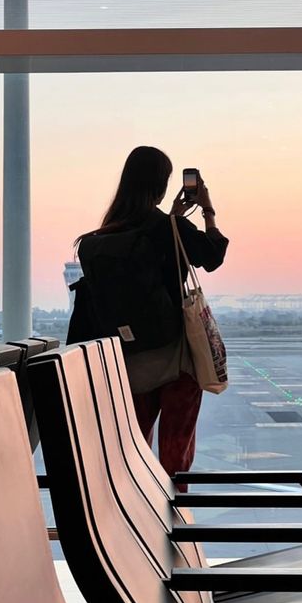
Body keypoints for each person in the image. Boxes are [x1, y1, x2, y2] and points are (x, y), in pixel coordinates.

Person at [73, 146, 229, 489]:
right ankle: (176, 527)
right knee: (175, 457)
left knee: (133, 453)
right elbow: (212, 256)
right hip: (175, 359)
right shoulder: (165, 227)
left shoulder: (100, 239)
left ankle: (135, 524)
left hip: (130, 365)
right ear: (161, 184)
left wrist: (172, 218)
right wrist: (207, 210)